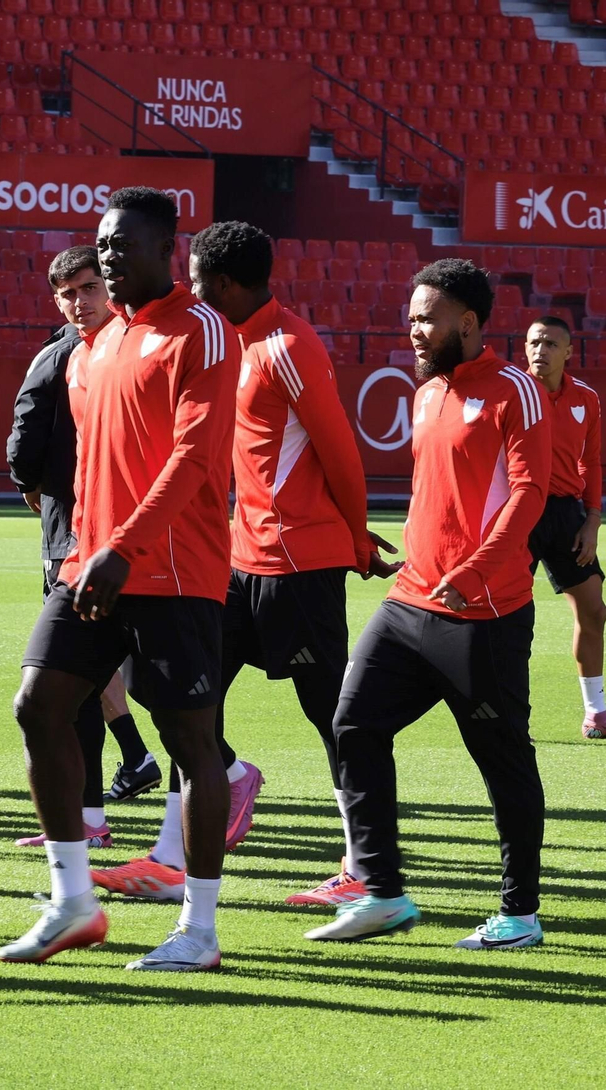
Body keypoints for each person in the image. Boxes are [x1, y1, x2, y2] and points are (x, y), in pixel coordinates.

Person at [0, 187, 234, 971]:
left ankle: (198, 931)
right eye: (100, 243)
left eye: (122, 244)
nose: (106, 255)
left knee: (192, 743)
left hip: (172, 570)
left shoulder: (201, 331)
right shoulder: (90, 347)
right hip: (91, 565)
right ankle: (72, 902)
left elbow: (195, 458)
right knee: (39, 706)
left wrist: (125, 545)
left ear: (166, 247)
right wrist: (88, 547)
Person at [308, 259, 551, 950]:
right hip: (410, 600)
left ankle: (521, 914)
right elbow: (437, 495)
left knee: (501, 759)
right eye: (411, 316)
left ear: (468, 324)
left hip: (485, 615)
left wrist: (476, 570)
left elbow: (530, 495)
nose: (413, 329)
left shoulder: (515, 393)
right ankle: (383, 892)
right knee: (352, 724)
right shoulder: (426, 393)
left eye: (427, 317)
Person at [184, 220, 398, 908]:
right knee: (183, 688)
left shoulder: (288, 346)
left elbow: (338, 449)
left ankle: (364, 866)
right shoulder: (231, 343)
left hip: (298, 561)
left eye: (196, 284)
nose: (189, 295)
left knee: (332, 715)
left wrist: (358, 537)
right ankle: (232, 778)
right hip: (242, 559)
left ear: (224, 285)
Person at [5, 245, 160, 850]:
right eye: (68, 292)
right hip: (101, 534)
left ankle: (214, 775)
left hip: (83, 536)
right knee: (90, 684)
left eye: (88, 287)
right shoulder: (106, 350)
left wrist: (35, 489)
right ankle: (93, 816)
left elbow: (22, 446)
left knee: (82, 681)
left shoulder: (68, 356)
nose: (80, 301)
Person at [522, 317, 606, 740]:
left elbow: (591, 461)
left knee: (594, 610)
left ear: (568, 352)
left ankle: (595, 714)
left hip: (565, 514)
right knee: (508, 619)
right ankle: (509, 717)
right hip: (517, 511)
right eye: (533, 342)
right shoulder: (511, 391)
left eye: (549, 343)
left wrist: (593, 521)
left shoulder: (586, 397)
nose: (539, 351)